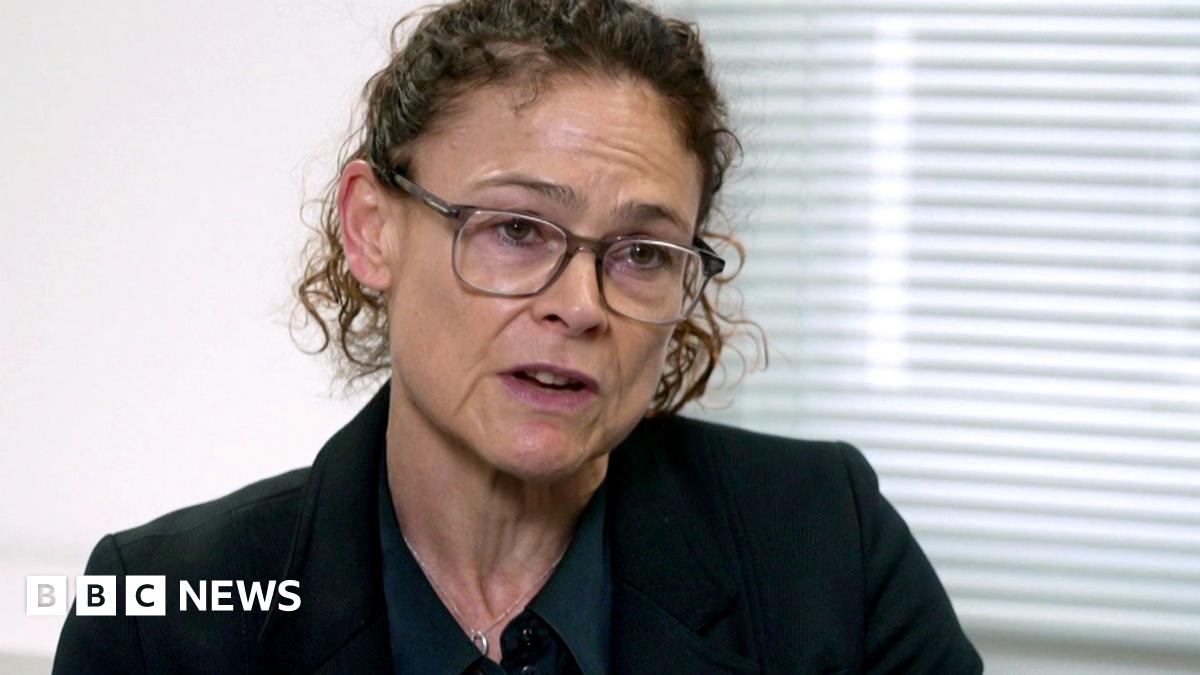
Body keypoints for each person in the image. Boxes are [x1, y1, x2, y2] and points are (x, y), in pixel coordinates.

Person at [53, 0, 983, 672]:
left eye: (641, 252)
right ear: (372, 228)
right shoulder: (160, 605)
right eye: (516, 229)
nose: (580, 303)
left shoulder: (825, 542)